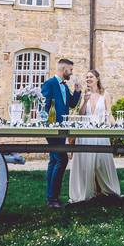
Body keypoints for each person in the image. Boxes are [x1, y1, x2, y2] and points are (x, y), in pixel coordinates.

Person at [69, 69, 122, 203]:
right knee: (85, 164)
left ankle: (106, 191)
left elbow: (109, 113)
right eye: (86, 77)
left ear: (97, 78)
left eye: (90, 77)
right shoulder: (85, 94)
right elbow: (81, 114)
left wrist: (116, 127)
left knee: (101, 163)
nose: (88, 79)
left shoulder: (105, 94)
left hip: (100, 133)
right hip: (85, 133)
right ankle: (85, 193)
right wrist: (85, 101)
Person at [40, 58, 81, 208]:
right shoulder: (50, 83)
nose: (71, 73)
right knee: (62, 159)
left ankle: (51, 198)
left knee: (54, 160)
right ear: (64, 70)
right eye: (70, 70)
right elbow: (43, 104)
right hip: (52, 128)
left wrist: (77, 91)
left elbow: (71, 104)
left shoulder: (65, 85)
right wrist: (47, 123)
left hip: (62, 129)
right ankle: (53, 198)